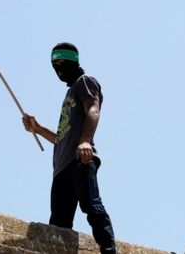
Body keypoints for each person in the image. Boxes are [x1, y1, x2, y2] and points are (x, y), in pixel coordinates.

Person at [22, 42, 116, 254]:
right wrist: (37, 129)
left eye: (62, 62)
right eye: (54, 64)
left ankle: (109, 250)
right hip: (61, 169)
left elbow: (93, 109)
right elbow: (62, 138)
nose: (58, 68)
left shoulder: (85, 81)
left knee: (91, 206)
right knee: (58, 223)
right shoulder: (68, 94)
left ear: (74, 61)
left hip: (80, 160)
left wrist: (85, 140)